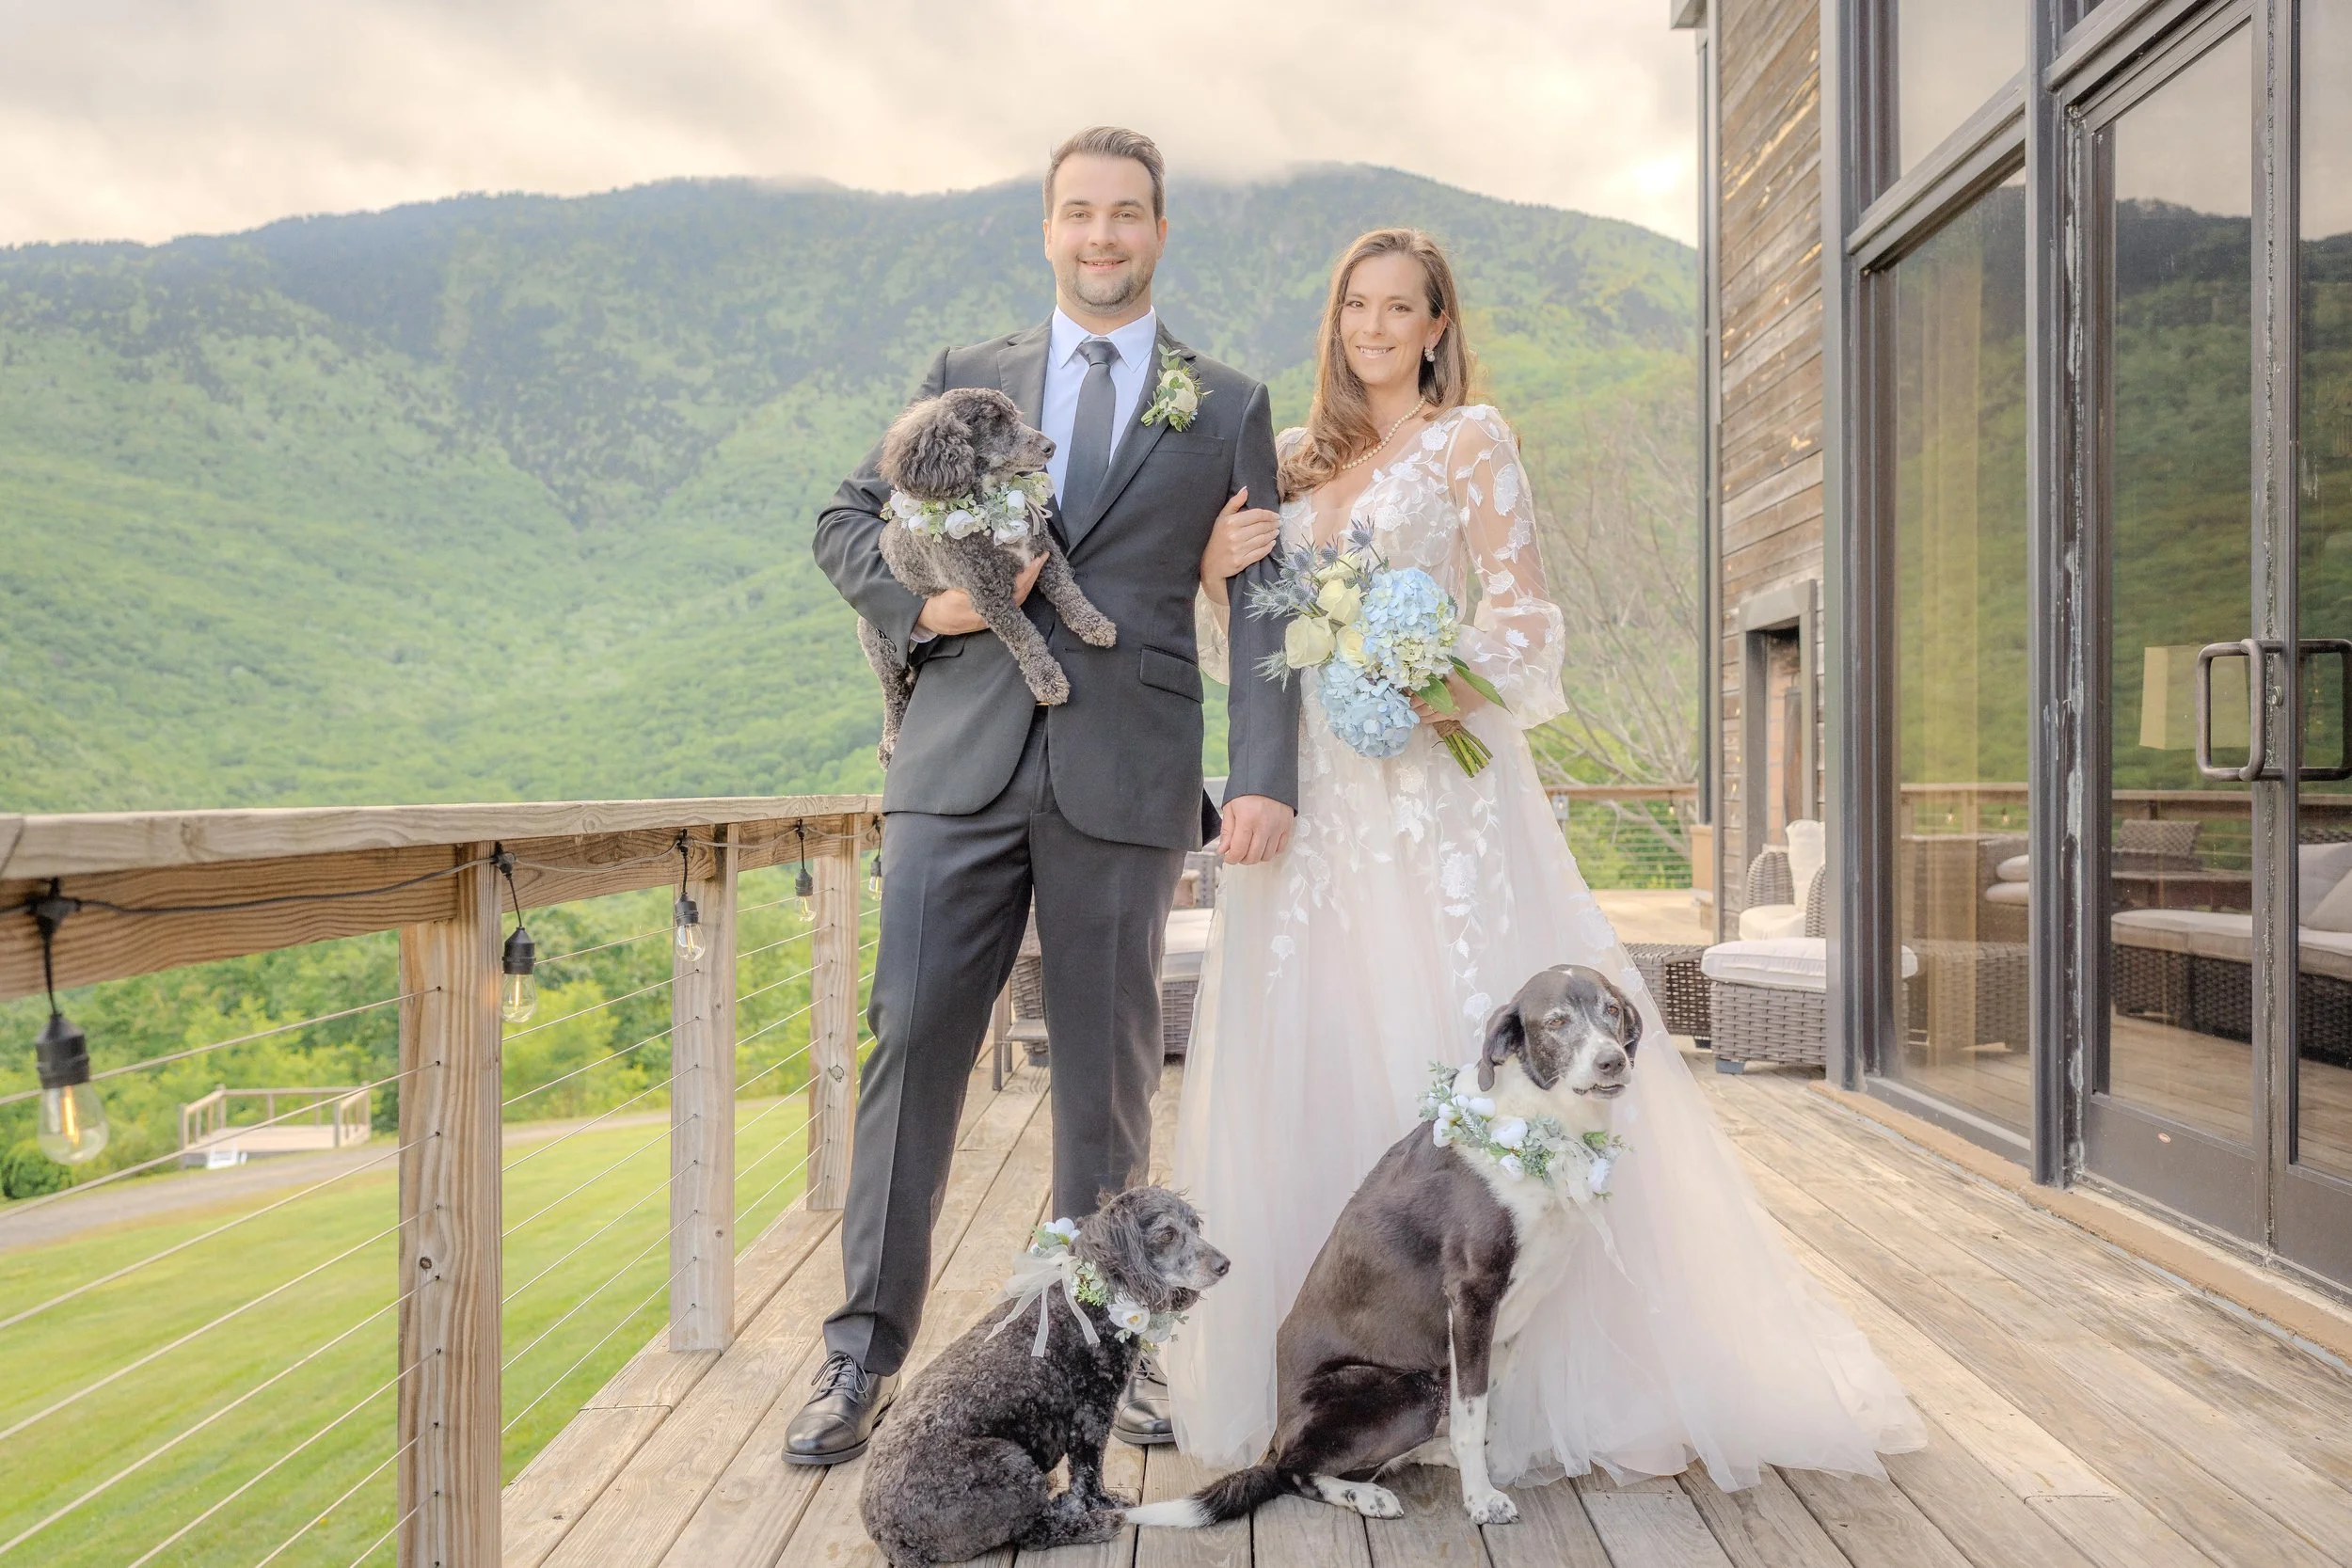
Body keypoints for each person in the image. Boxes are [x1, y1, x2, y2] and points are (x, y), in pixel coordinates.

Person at [1164, 228, 1925, 1489]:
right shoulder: (1296, 461)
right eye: (1357, 304)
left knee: (1449, 1041)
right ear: (1334, 320)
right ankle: (1344, 1363)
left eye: (1402, 306)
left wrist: (1420, 682)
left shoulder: (1472, 439)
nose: (1375, 326)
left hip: (1438, 809)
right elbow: (1242, 650)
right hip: (1324, 819)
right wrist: (1211, 572)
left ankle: (1529, 1375)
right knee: (1327, 1039)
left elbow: (1524, 626)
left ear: (1436, 325)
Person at [794, 126, 1300, 1465]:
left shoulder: (1228, 398)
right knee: (909, 1049)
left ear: (1161, 232)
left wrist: (1265, 776)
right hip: (954, 766)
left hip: (1125, 771)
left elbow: (1263, 603)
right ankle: (859, 1356)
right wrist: (934, 603)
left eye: (1126, 214)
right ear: (1047, 227)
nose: (1101, 235)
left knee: (1108, 1082)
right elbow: (843, 522)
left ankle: (1100, 1346)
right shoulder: (962, 377)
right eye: (1078, 213)